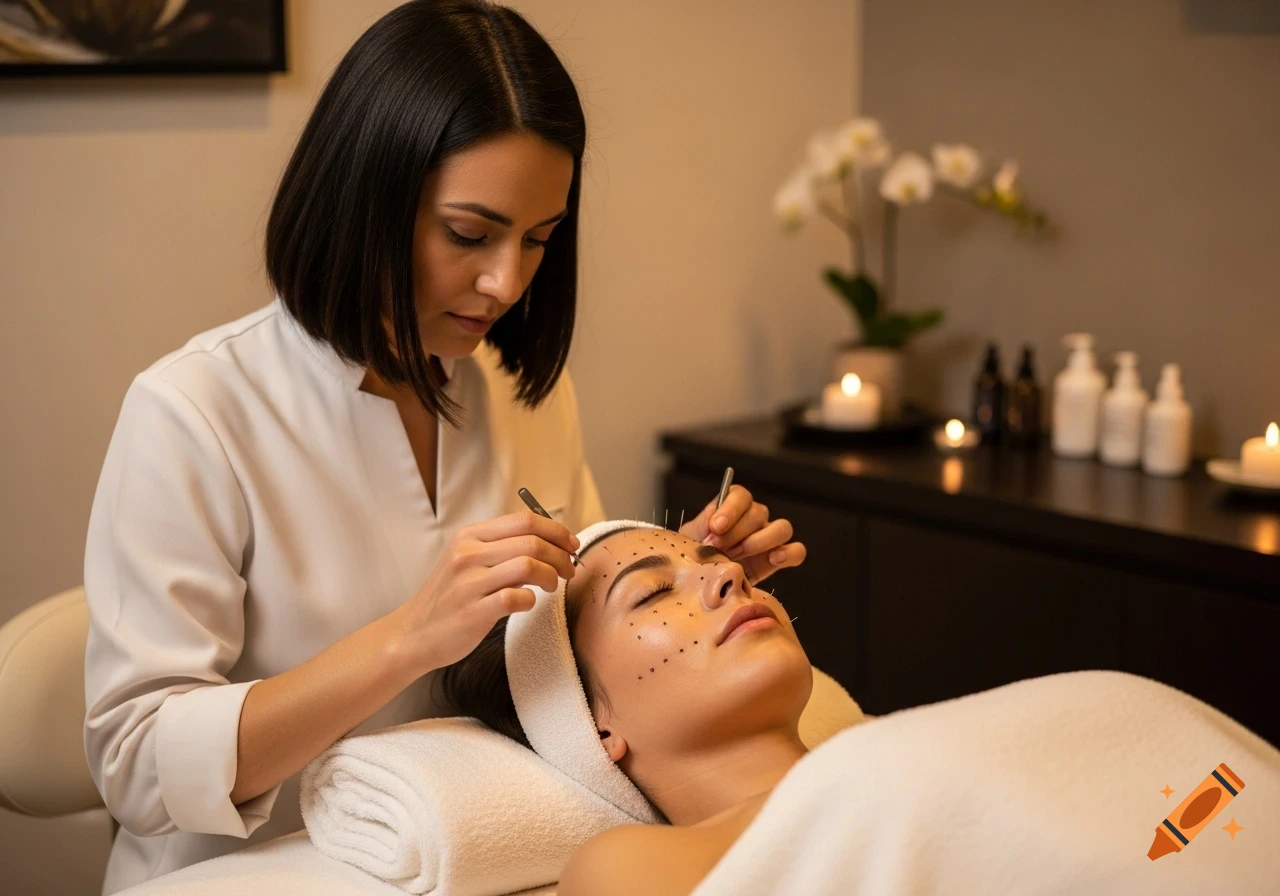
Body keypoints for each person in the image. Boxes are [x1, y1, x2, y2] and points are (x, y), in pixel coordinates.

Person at [81, 3, 805, 892]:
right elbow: (135, 764)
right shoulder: (194, 413)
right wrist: (406, 641)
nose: (506, 282)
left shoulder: (516, 391)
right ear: (364, 199)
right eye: (469, 234)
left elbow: (558, 654)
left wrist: (677, 580)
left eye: (539, 240)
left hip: (467, 858)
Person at [437, 523, 813, 896]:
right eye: (654, 592)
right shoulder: (628, 869)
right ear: (594, 728)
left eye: (725, 561)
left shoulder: (868, 750)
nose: (731, 572)